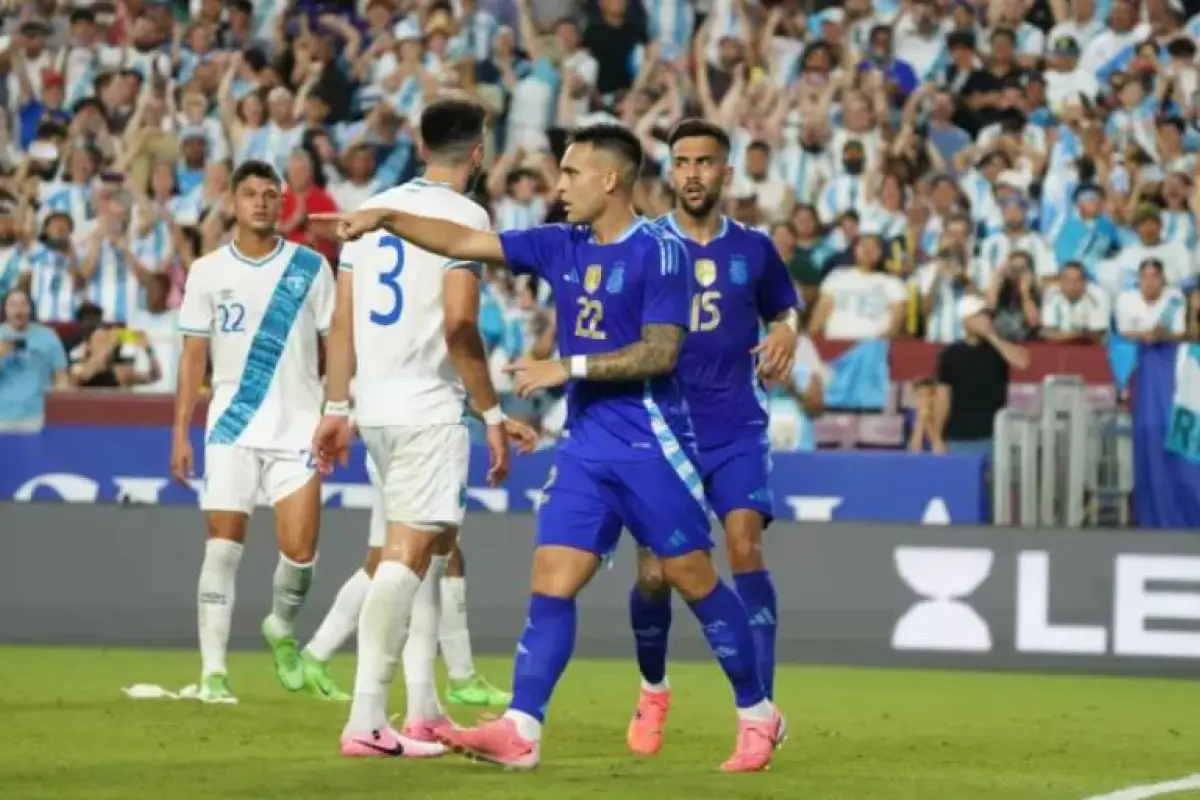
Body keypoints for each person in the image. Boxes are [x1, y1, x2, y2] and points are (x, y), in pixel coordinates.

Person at [313, 122, 786, 773]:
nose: (558, 186)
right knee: (552, 580)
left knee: (690, 577)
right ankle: (522, 727)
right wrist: (388, 217)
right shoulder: (561, 244)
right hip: (587, 446)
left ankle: (758, 713)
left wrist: (570, 368)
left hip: (652, 442)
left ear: (610, 178)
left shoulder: (661, 250)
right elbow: (464, 239)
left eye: (571, 173)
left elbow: (661, 350)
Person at [308, 98, 528, 759]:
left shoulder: (371, 207)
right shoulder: (464, 216)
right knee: (407, 554)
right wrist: (491, 413)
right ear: (480, 151)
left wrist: (337, 407)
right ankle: (367, 719)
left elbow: (342, 321)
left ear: (420, 142)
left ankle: (425, 708)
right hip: (428, 406)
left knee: (430, 547)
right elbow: (461, 325)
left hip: (373, 406)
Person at [626, 118, 800, 758]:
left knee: (744, 544)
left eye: (705, 161)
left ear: (726, 172)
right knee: (655, 573)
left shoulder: (753, 248)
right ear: (670, 171)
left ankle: (760, 715)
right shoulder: (644, 245)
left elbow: (784, 307)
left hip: (736, 424)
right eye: (683, 162)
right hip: (664, 429)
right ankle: (652, 687)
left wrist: (786, 331)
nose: (693, 172)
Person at [170, 160, 336, 705]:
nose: (261, 203)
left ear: (283, 202)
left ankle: (281, 627)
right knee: (222, 548)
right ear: (233, 204)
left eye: (271, 194)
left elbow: (337, 347)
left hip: (299, 428)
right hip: (231, 426)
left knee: (302, 554)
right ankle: (213, 672)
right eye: (250, 194)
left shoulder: (311, 268)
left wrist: (338, 410)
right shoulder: (208, 271)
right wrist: (180, 433)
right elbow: (193, 359)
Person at [301, 446, 522, 708]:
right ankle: (459, 680)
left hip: (390, 443)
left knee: (381, 561)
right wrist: (494, 417)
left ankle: (316, 654)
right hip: (424, 445)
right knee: (443, 554)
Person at [0, 287, 69, 433]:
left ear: (30, 308)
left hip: (36, 416)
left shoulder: (48, 337)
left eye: (23, 304)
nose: (18, 310)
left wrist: (60, 414)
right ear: (5, 309)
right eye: (12, 305)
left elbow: (61, 377)